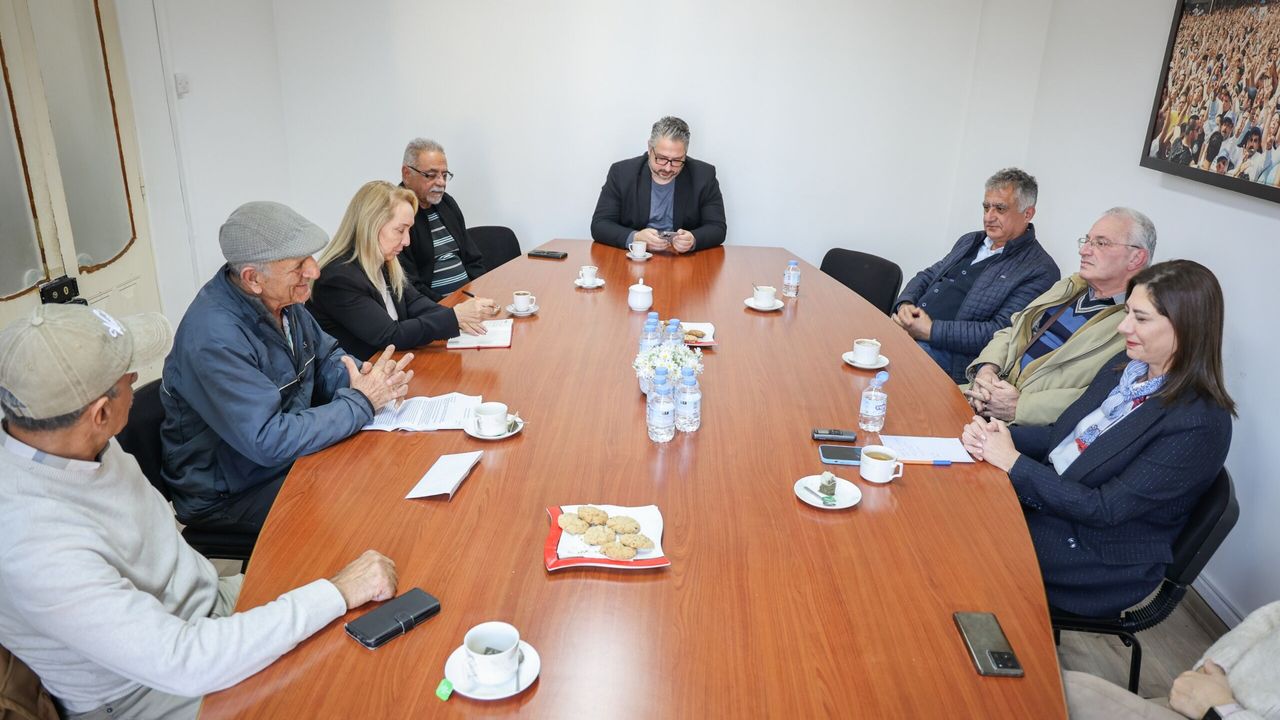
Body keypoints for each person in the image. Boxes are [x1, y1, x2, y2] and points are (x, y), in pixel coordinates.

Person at [0, 303, 398, 720]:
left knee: (375, 594)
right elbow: (184, 661)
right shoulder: (34, 546)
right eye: (127, 375)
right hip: (150, 692)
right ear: (100, 413)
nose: (135, 379)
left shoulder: (70, 437)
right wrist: (337, 591)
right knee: (353, 691)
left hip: (209, 604)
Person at [961, 260, 1235, 617]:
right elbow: (1062, 437)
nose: (1123, 327)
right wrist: (997, 435)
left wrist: (1012, 462)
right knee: (953, 499)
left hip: (1095, 554)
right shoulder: (1125, 367)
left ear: (1185, 327)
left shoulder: (1199, 423)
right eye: (1127, 312)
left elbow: (1106, 509)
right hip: (1057, 503)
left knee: (962, 534)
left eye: (1140, 318)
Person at [161, 201, 413, 536]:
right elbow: (268, 439)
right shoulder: (213, 338)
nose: (314, 271)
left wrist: (366, 377)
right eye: (298, 265)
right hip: (232, 492)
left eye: (310, 258)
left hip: (278, 461)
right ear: (253, 278)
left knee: (390, 470)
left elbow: (326, 357)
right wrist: (361, 401)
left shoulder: (282, 301)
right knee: (363, 505)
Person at [964, 207, 1156, 426]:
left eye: (1101, 243)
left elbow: (1103, 395)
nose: (1083, 250)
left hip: (1027, 427)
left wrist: (1020, 406)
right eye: (1087, 240)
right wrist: (987, 369)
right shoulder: (1070, 287)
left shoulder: (1135, 324)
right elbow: (1013, 329)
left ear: (1136, 258)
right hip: (985, 398)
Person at [892, 168, 1060, 382]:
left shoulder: (1040, 269)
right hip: (912, 330)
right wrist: (905, 304)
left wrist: (930, 331)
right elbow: (929, 275)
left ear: (1027, 213)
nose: (989, 217)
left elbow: (1000, 332)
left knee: (886, 369)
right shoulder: (970, 240)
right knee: (860, 342)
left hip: (952, 357)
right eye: (986, 207)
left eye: (1000, 208)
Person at [309, 181, 499, 361]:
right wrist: (453, 317)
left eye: (409, 231)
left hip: (392, 364)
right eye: (400, 230)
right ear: (371, 226)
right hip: (361, 375)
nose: (407, 241)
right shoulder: (337, 279)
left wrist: (460, 317)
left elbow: (415, 302)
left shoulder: (383, 260)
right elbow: (390, 335)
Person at [1064, 599, 1280, 719]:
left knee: (1073, 692)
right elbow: (1270, 617)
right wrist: (1213, 669)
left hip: (1220, 711)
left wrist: (1223, 710)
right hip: (1205, 700)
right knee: (1068, 691)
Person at [591, 115, 726, 254]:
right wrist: (635, 237)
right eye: (661, 158)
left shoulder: (704, 175)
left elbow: (717, 227)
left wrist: (693, 239)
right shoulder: (622, 173)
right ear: (650, 148)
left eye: (677, 160)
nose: (668, 168)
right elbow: (600, 225)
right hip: (636, 257)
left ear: (685, 154)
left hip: (681, 258)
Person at [398, 138, 486, 301]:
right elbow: (409, 285)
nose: (441, 182)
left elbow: (473, 259)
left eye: (444, 175)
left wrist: (480, 294)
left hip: (469, 301)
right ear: (407, 174)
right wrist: (449, 308)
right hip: (435, 308)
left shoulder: (447, 203)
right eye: (431, 175)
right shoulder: (396, 214)